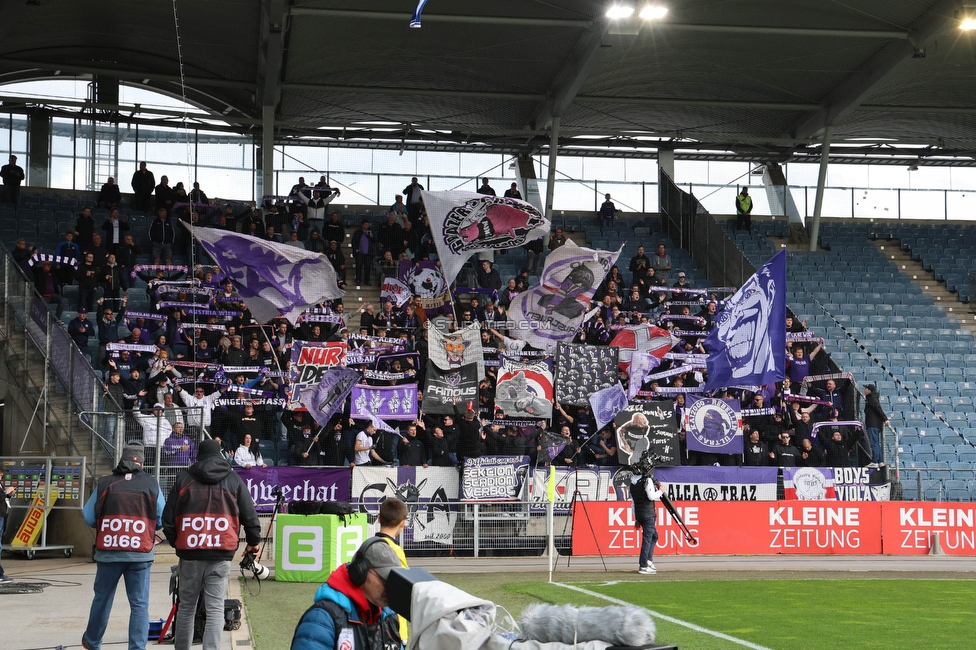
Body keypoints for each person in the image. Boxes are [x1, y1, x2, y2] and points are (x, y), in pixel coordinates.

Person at [162, 439, 262, 650]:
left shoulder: (184, 479)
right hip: (221, 553)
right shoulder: (233, 479)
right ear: (220, 455)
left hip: (189, 554)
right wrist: (253, 542)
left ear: (198, 457)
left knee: (186, 608)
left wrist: (178, 543)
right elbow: (250, 515)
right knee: (215, 609)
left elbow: (168, 518)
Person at [81, 442, 165, 650]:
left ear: (121, 460)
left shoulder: (105, 482)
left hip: (108, 553)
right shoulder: (151, 484)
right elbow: (162, 518)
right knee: (139, 604)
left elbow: (89, 515)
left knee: (102, 598)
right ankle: (137, 648)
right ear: (142, 462)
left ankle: (92, 642)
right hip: (140, 554)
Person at [290, 537, 403, 650]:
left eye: (393, 581)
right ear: (360, 573)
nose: (390, 588)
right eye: (384, 580)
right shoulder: (321, 619)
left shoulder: (389, 615)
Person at [375, 498, 410, 644]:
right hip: (395, 626)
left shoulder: (368, 546)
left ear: (378, 519)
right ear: (402, 523)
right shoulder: (395, 550)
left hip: (372, 624)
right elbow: (406, 586)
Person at [630, 466, 662, 575]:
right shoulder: (647, 480)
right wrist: (661, 491)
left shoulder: (632, 484)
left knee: (654, 536)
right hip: (648, 515)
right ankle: (643, 565)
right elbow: (651, 496)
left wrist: (636, 518)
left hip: (640, 514)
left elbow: (633, 503)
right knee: (647, 539)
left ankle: (648, 560)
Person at [863, 384, 889, 468]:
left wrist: (885, 418)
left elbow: (878, 408)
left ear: (869, 390)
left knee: (874, 443)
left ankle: (875, 461)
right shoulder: (871, 398)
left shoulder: (872, 398)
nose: (864, 390)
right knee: (876, 443)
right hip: (876, 424)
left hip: (872, 423)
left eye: (866, 388)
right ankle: (880, 461)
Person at [0, 466, 14, 582]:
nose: (1, 476)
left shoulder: (0, 484)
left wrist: (9, 494)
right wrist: (6, 492)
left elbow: (2, 498)